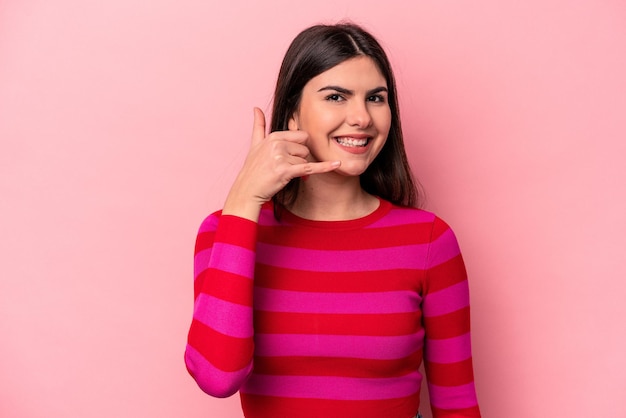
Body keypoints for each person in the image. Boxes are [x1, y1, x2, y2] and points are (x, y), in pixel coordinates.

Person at [185, 22, 481, 418]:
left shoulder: (429, 241)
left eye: (376, 98)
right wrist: (244, 200)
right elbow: (217, 377)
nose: (361, 117)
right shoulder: (226, 232)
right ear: (291, 113)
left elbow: (457, 405)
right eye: (337, 96)